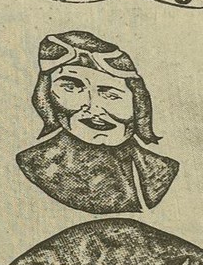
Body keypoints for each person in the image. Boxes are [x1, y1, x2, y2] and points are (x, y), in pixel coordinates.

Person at [15, 30, 179, 214]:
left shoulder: (161, 170)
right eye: (70, 88)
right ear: (45, 95)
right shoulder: (34, 163)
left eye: (111, 95)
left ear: (138, 102)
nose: (93, 109)